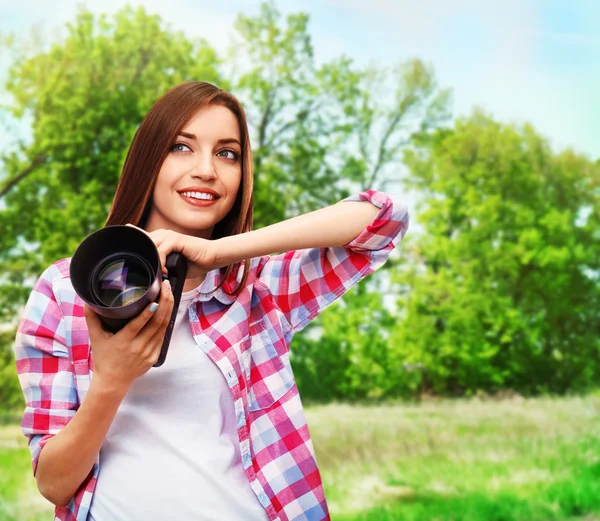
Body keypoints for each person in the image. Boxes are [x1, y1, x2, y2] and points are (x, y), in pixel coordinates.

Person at [14, 81, 409, 521]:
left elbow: (385, 219)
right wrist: (111, 380)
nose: (207, 169)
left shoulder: (259, 289)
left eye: (227, 153)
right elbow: (54, 483)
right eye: (182, 147)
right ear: (149, 159)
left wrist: (222, 253)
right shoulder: (65, 291)